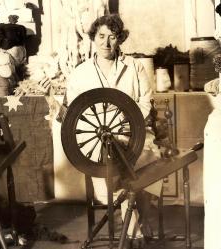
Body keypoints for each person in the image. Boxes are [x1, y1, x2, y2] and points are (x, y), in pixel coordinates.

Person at [55, 14, 161, 247]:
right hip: (99, 138)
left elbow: (145, 102)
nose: (106, 43)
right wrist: (104, 130)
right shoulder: (81, 72)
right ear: (93, 38)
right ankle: (135, 231)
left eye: (112, 37)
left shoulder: (134, 67)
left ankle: (136, 227)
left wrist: (126, 123)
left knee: (148, 163)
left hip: (133, 132)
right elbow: (75, 113)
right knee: (115, 171)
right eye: (101, 36)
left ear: (119, 39)